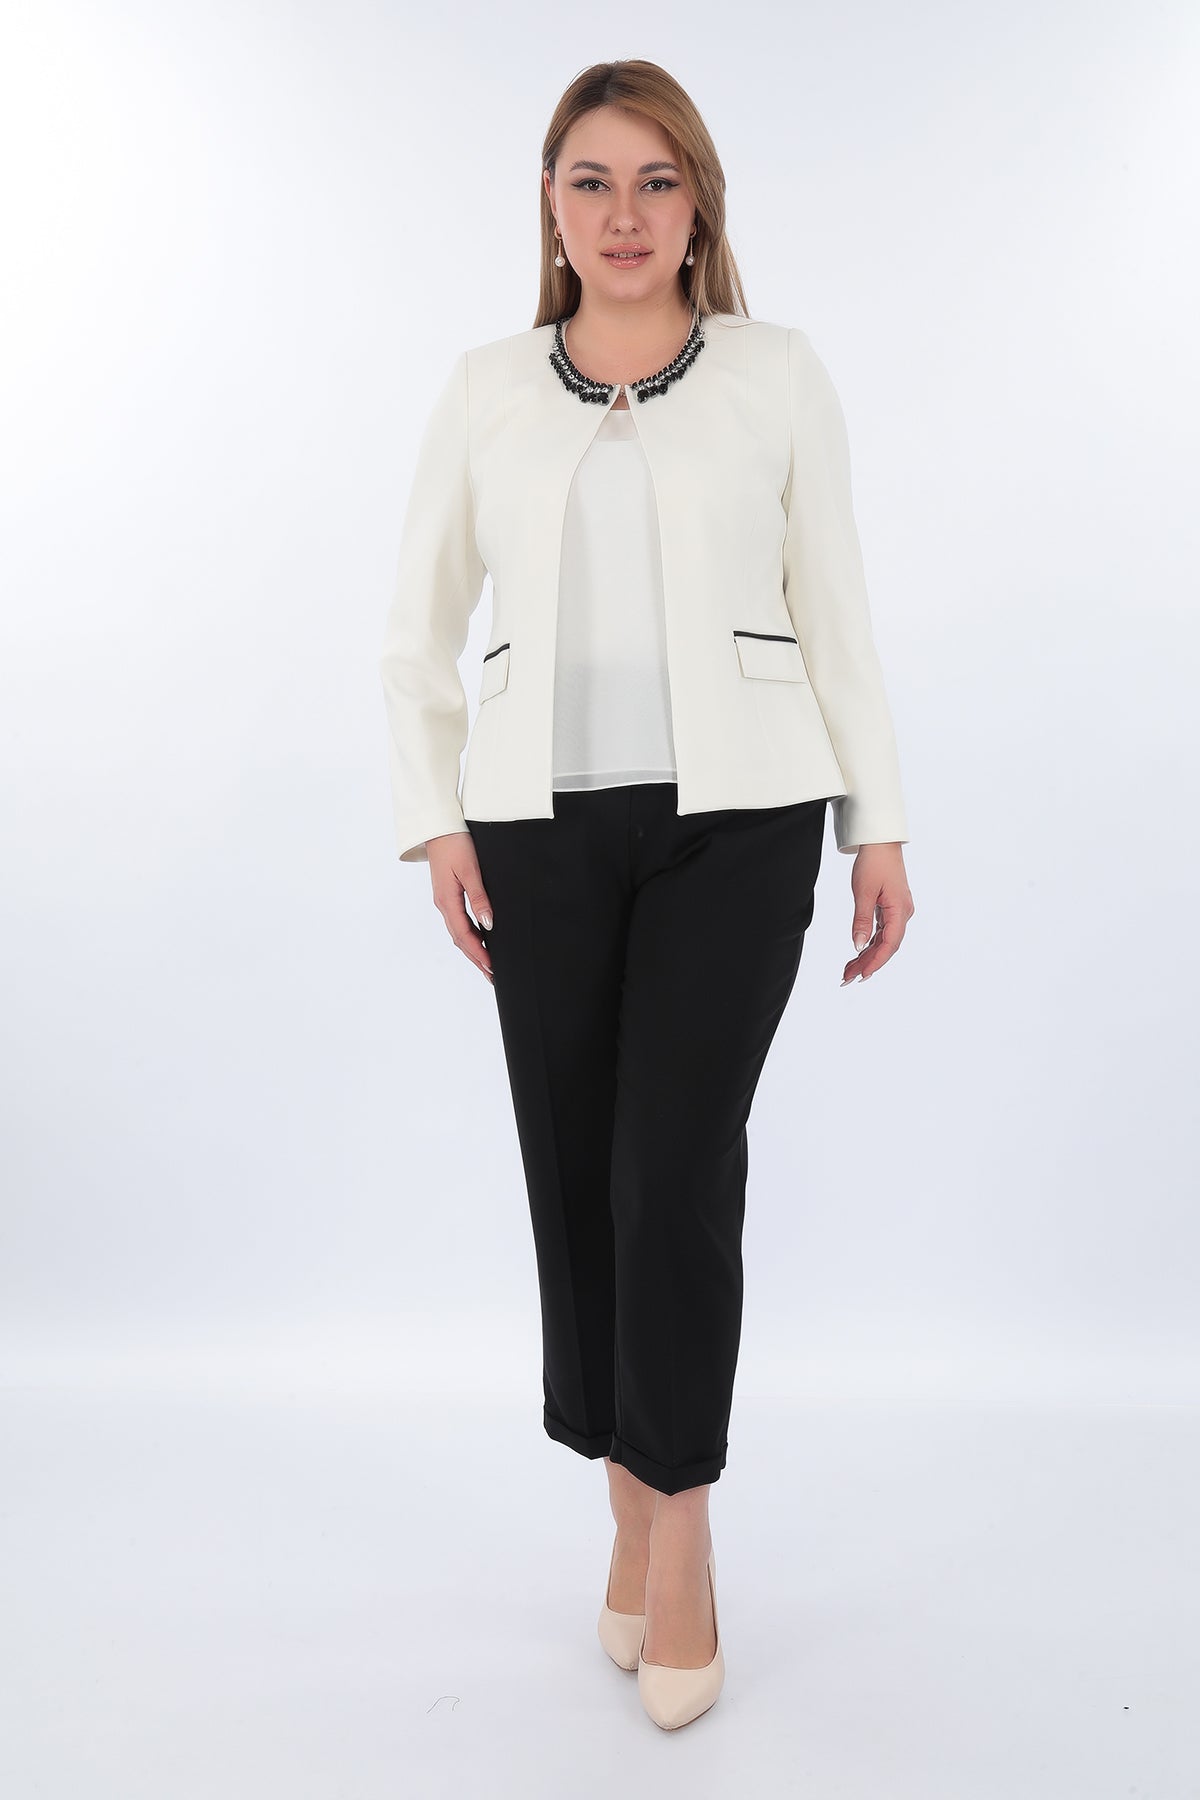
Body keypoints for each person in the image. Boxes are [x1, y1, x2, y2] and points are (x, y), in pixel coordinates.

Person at [378, 59, 916, 1731]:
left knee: (672, 1167)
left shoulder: (775, 374)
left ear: (700, 207)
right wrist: (436, 821)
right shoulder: (485, 389)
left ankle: (678, 1529)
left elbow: (836, 607)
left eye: (657, 182)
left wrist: (878, 824)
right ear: (551, 207)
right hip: (536, 828)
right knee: (573, 1173)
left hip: (740, 822)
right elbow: (414, 633)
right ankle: (622, 1489)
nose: (625, 215)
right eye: (593, 182)